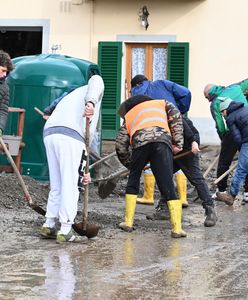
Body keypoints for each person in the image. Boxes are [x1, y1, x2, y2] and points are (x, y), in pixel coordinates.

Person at [40, 74, 104, 243]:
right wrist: (91, 103)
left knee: (57, 183)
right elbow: (97, 79)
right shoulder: (93, 89)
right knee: (70, 184)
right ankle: (66, 229)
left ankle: (49, 225)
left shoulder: (71, 95)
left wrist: (85, 169)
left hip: (50, 133)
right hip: (70, 136)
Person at [116, 94, 187, 238]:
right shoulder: (162, 102)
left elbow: (120, 144)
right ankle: (177, 229)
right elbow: (176, 118)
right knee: (166, 182)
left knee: (133, 179)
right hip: (162, 141)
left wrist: (131, 164)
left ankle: (128, 223)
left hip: (140, 142)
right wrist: (178, 143)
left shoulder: (129, 115)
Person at [131, 74, 191, 207]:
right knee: (177, 157)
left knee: (152, 157)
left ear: (135, 85)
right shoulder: (162, 83)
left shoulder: (136, 93)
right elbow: (186, 93)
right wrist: (180, 110)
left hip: (151, 129)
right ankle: (182, 197)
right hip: (173, 121)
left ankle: (148, 196)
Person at [147, 116, 217, 227]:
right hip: (172, 150)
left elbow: (191, 134)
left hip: (187, 149)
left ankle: (210, 210)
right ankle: (165, 208)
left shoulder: (171, 115)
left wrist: (193, 143)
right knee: (164, 176)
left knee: (196, 178)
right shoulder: (152, 119)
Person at [204, 81, 248, 203]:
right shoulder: (235, 87)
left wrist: (224, 140)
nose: (207, 100)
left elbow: (220, 126)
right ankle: (247, 192)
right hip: (245, 126)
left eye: (206, 97)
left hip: (233, 133)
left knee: (225, 162)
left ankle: (222, 190)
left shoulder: (216, 104)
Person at [216, 98, 248, 205]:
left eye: (222, 112)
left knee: (241, 169)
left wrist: (242, 151)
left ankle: (232, 196)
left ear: (225, 110)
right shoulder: (245, 108)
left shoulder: (230, 118)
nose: (222, 115)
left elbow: (237, 138)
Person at [0, 50, 14, 137]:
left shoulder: (4, 88)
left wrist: (0, 128)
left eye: (7, 72)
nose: (5, 74)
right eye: (3, 70)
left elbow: (3, 110)